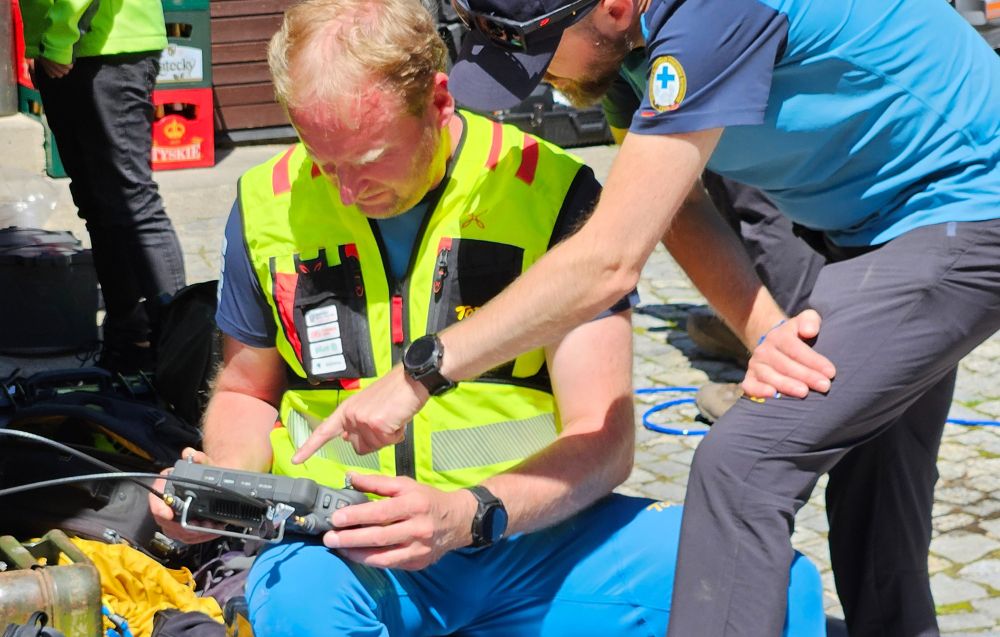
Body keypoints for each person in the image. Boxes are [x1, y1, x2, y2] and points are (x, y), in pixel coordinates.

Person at [294, 1, 1000, 635]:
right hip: (873, 231)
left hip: (966, 204)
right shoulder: (628, 53)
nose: (541, 84)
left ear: (611, 7)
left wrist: (423, 372)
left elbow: (609, 259)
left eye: (542, 57)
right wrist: (762, 330)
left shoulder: (710, 14)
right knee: (876, 474)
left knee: (744, 464)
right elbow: (682, 205)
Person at [147, 1, 827, 634]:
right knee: (299, 608)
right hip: (344, 549)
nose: (347, 190)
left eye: (370, 159)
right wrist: (219, 491)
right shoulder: (266, 204)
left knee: (776, 581)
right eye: (324, 163)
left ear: (439, 102)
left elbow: (605, 438)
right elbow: (245, 391)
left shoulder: (552, 192)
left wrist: (472, 514)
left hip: (527, 536)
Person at [20, 0, 187, 371]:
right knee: (99, 205)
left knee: (133, 203)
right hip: (80, 49)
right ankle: (129, 341)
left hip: (101, 49)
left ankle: (180, 353)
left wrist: (58, 40)